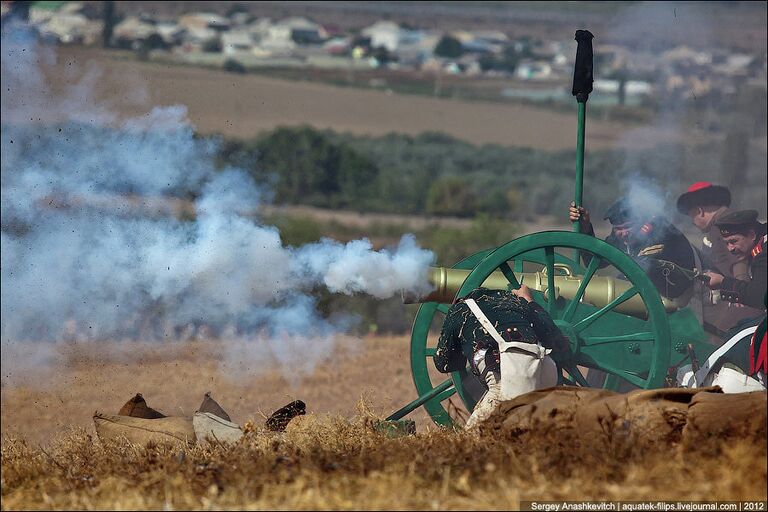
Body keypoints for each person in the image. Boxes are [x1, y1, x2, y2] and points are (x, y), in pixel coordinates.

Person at [433, 284, 566, 429]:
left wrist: (463, 347)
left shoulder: (459, 310)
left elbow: (444, 363)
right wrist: (528, 300)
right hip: (545, 379)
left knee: (470, 442)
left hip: (505, 385)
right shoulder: (516, 302)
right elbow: (554, 336)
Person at [569, 197, 697, 301]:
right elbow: (594, 262)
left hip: (683, 296)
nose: (624, 233)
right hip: (651, 296)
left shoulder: (660, 232)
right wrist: (585, 229)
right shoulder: (619, 238)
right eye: (619, 229)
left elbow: (643, 268)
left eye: (628, 227)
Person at [676, 182, 761, 333]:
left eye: (691, 215)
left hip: (741, 304)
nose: (692, 221)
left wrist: (740, 288)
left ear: (700, 211)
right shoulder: (732, 218)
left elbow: (738, 259)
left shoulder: (722, 227)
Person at [704, 209, 767, 311]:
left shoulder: (763, 252)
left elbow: (760, 298)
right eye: (726, 243)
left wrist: (723, 282)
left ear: (752, 235)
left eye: (733, 241)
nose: (730, 248)